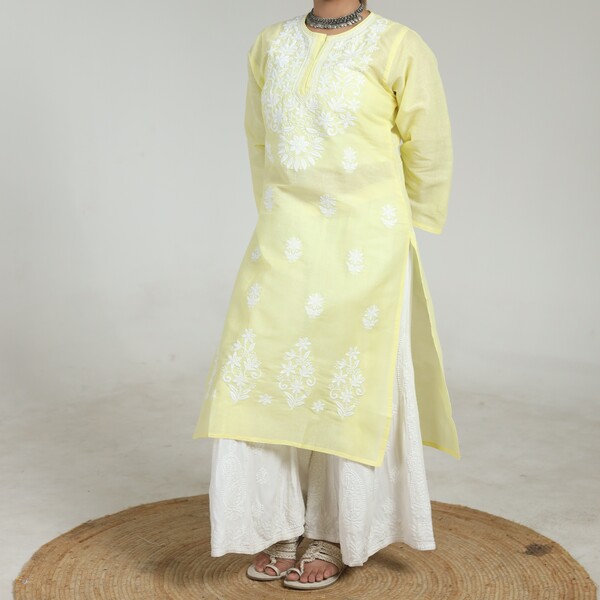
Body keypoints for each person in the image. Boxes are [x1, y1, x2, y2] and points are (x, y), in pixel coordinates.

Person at [192, 0, 460, 590]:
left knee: (348, 382)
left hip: (368, 242)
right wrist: (277, 216)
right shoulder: (270, 44)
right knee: (261, 371)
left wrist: (401, 231)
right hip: (285, 233)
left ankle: (333, 530)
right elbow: (259, 141)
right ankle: (276, 522)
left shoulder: (398, 45)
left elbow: (430, 145)